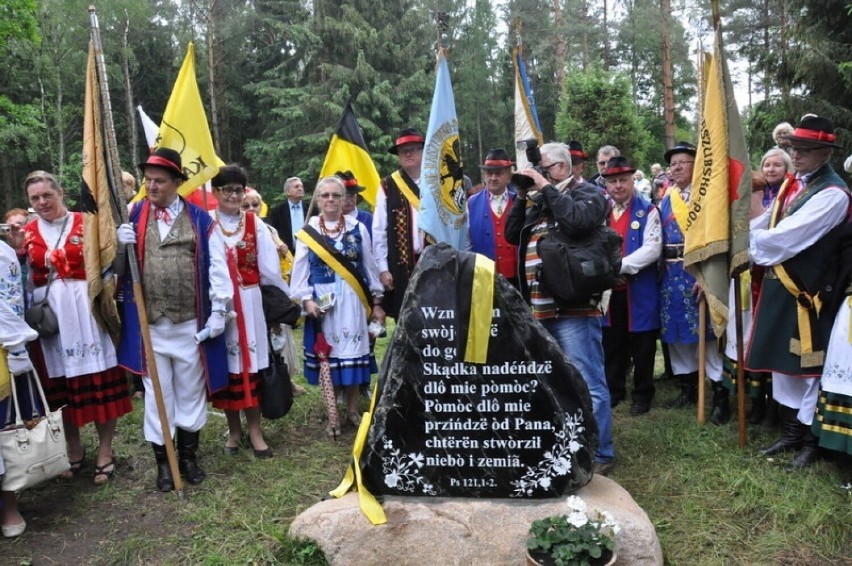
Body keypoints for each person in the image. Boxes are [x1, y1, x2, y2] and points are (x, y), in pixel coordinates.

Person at [116, 147, 232, 491]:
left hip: (188, 327)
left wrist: (219, 312)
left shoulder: (200, 220)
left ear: (177, 183)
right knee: (157, 395)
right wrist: (117, 245)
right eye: (148, 180)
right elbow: (113, 270)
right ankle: (164, 463)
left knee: (191, 391)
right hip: (149, 328)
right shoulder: (133, 216)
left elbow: (218, 269)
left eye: (159, 181)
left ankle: (188, 457)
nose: (151, 187)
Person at [505, 142, 615, 476]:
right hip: (539, 310)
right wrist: (524, 194)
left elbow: (577, 221)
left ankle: (602, 452)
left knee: (589, 380)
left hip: (575, 309)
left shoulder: (589, 194)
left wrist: (543, 187)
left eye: (546, 167)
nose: (541, 174)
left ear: (564, 168)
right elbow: (512, 235)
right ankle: (567, 443)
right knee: (553, 381)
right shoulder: (540, 200)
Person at [747, 115, 850, 471]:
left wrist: (746, 244)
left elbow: (786, 238)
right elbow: (771, 223)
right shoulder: (799, 184)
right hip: (784, 288)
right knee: (785, 366)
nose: (797, 154)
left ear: (825, 152)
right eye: (794, 147)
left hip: (809, 293)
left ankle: (810, 441)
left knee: (808, 368)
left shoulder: (832, 194)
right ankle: (791, 432)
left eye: (805, 149)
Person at [22, 170, 132, 484]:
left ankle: (105, 451)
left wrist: (120, 245)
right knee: (62, 391)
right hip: (53, 323)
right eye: (35, 198)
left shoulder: (87, 223)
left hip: (87, 312)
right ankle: (73, 449)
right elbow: (23, 281)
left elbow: (112, 265)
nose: (42, 202)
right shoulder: (27, 233)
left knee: (98, 383)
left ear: (60, 193)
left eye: (47, 195)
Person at [290, 176, 384, 435]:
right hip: (323, 302)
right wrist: (307, 299)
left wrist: (376, 300)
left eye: (336, 195)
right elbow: (300, 270)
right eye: (325, 195)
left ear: (344, 199)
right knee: (327, 355)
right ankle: (332, 410)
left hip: (353, 300)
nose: (330, 200)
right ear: (318, 200)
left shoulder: (357, 228)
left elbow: (369, 266)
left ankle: (352, 409)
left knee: (353, 353)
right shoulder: (308, 232)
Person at [209, 165, 289, 458]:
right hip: (221, 308)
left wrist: (280, 307)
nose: (233, 195)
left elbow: (269, 270)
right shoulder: (205, 224)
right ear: (215, 192)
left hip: (251, 302)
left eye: (238, 190)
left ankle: (255, 430)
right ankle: (233, 430)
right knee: (228, 370)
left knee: (252, 366)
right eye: (227, 189)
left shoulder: (255, 225)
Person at [657, 142, 727, 424]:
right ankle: (687, 389)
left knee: (707, 337)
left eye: (683, 162)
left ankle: (720, 397)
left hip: (698, 273)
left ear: (696, 165)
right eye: (673, 164)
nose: (676, 168)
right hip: (670, 275)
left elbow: (717, 239)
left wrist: (708, 276)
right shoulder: (666, 198)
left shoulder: (707, 196)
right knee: (676, 336)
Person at [601, 156, 661, 415]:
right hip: (608, 290)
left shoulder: (647, 210)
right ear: (606, 184)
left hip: (640, 289)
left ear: (632, 180)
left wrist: (619, 266)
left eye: (622, 180)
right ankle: (615, 390)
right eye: (612, 181)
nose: (618, 186)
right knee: (612, 342)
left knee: (643, 344)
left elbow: (652, 248)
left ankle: (643, 395)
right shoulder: (599, 211)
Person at [1, 237, 39, 537]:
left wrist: (16, 346)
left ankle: (8, 506)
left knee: (4, 432)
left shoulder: (2, 254)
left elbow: (11, 303)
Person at [373, 127, 426, 319]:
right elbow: (379, 230)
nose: (408, 154)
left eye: (413, 149)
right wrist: (383, 268)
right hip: (401, 266)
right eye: (403, 151)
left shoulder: (436, 184)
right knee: (405, 318)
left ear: (423, 151)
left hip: (435, 263)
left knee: (436, 315)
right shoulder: (387, 185)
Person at [467, 148, 518, 284]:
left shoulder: (520, 201)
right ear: (484, 175)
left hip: (516, 277)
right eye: (489, 173)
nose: (493, 178)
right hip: (485, 278)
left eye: (498, 173)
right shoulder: (471, 203)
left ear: (508, 176)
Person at [267, 176, 308, 253]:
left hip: (308, 253)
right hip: (287, 254)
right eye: (296, 187)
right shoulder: (278, 211)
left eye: (301, 186)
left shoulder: (312, 210)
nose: (300, 189)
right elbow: (273, 232)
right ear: (288, 192)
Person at [337, 170, 374, 237]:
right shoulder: (325, 220)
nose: (348, 201)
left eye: (352, 196)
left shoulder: (368, 218)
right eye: (344, 196)